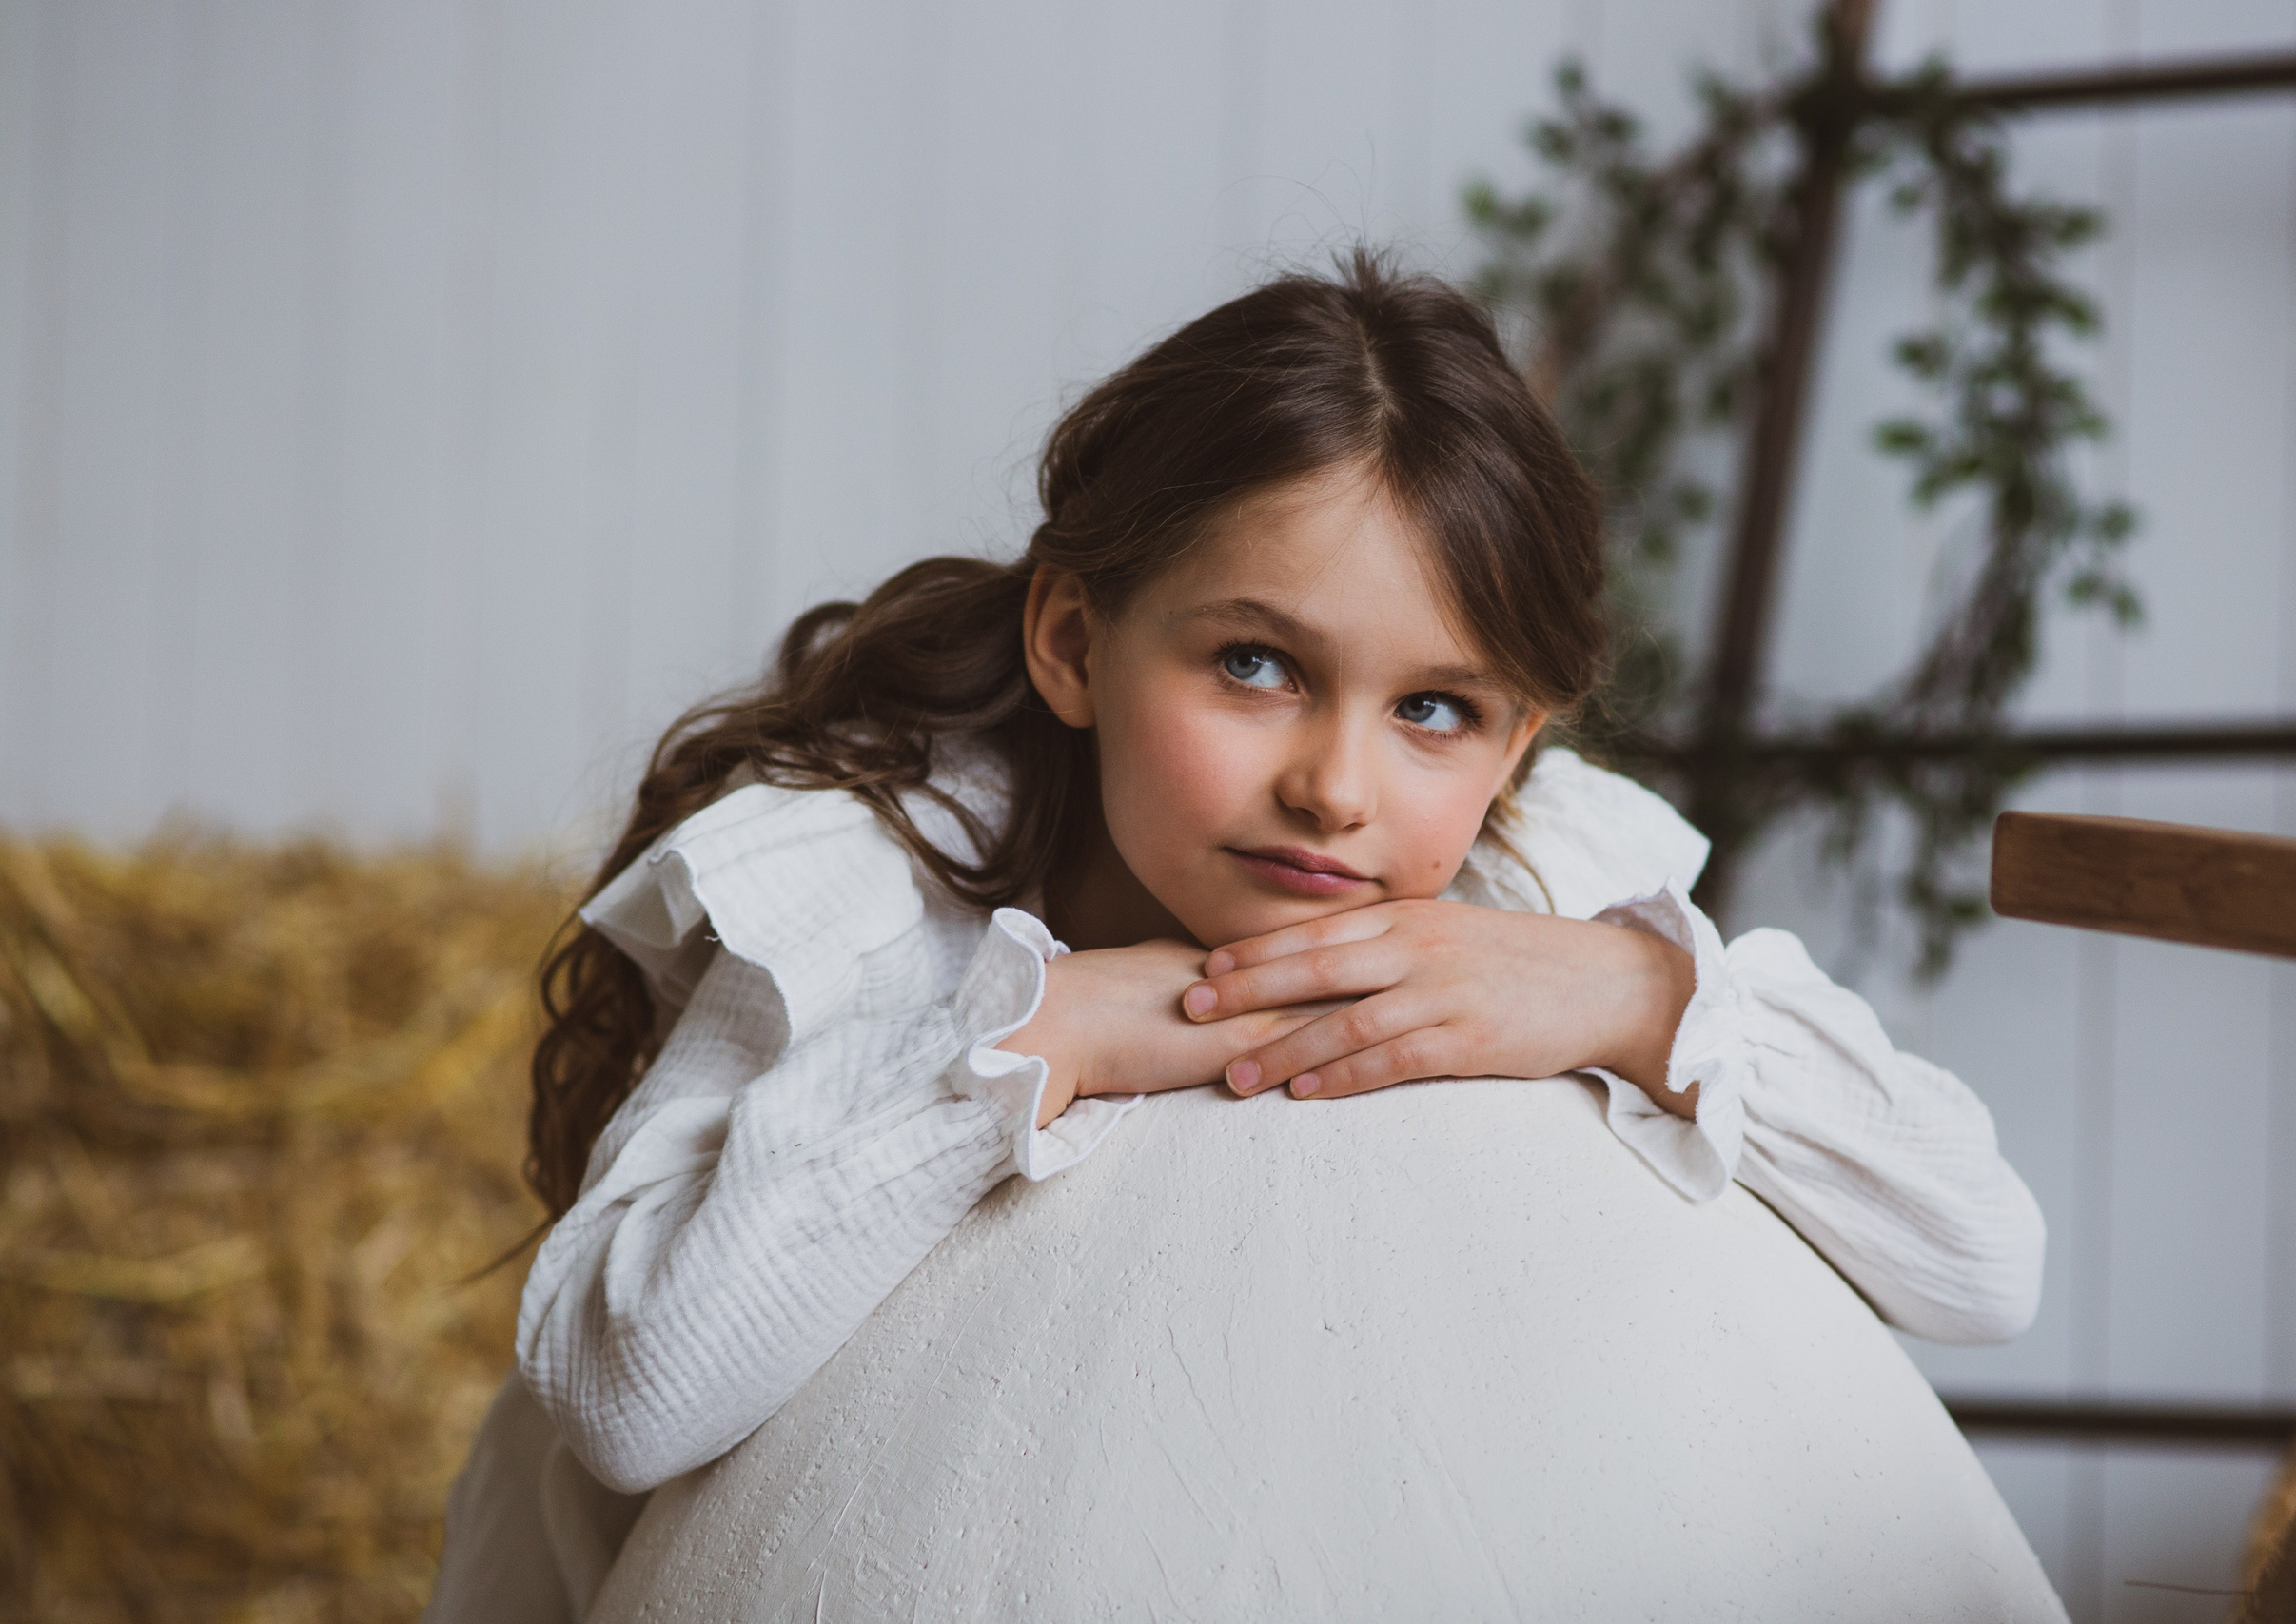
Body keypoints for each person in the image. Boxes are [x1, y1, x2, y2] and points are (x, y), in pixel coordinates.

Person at [422, 252, 2045, 1623]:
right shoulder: (876, 870)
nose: (1337, 787)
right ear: (1074, 638)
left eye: (1433, 709)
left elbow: (1984, 1260)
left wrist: (1635, 994)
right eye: (1257, 665)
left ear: (1521, 738)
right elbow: (630, 1396)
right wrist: (1045, 1041)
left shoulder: (1544, 871)